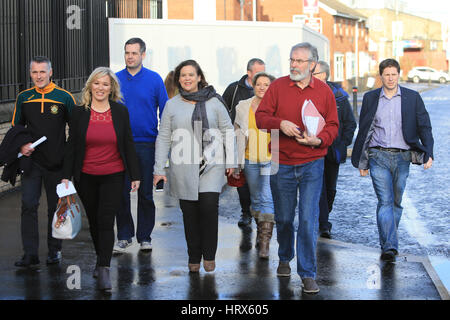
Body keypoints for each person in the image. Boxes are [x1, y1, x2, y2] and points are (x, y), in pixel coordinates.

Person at [255, 42, 339, 294]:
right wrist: (280, 124)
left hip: (313, 162)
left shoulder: (324, 91)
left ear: (312, 64)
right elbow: (261, 118)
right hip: (281, 162)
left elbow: (333, 125)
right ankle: (284, 256)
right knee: (283, 217)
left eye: (300, 61)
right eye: (292, 60)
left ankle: (307, 273)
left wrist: (319, 139)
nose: (294, 65)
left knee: (307, 219)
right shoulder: (278, 87)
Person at [153, 60, 236, 273]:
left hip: (212, 164)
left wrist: (231, 161)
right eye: (183, 75)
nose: (187, 79)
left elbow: (228, 131)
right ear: (178, 79)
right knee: (189, 214)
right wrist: (159, 169)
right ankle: (193, 257)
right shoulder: (172, 105)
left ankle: (209, 255)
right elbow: (164, 137)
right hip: (183, 166)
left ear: (199, 77)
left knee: (208, 208)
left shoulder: (215, 102)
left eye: (191, 74)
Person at [62, 67, 141, 292]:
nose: (100, 88)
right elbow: (72, 146)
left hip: (114, 175)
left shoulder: (120, 111)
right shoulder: (78, 113)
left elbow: (127, 142)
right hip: (86, 176)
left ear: (111, 88)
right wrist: (65, 177)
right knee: (95, 222)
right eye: (96, 83)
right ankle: (100, 258)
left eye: (105, 84)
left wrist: (135, 174)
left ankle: (105, 269)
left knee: (106, 220)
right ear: (90, 86)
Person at [351, 58, 434, 263]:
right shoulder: (371, 98)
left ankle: (389, 237)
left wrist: (429, 152)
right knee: (385, 201)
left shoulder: (412, 98)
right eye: (386, 75)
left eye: (393, 74)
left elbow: (424, 126)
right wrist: (363, 162)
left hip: (403, 156)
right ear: (381, 76)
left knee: (396, 202)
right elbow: (364, 131)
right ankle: (390, 246)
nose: (390, 78)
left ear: (399, 74)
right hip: (378, 155)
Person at [11, 56, 76, 268]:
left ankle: (54, 251)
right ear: (30, 74)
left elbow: (75, 131)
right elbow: (16, 129)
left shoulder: (64, 97)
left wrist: (68, 161)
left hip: (56, 163)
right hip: (32, 163)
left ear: (50, 72)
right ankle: (30, 254)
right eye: (34, 72)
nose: (38, 76)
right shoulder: (24, 97)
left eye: (42, 72)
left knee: (56, 208)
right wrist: (21, 146)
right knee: (28, 205)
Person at [114, 38, 168, 253]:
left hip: (147, 144)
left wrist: (165, 148)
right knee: (121, 192)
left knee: (146, 193)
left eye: (134, 53)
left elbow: (165, 112)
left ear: (143, 55)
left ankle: (145, 237)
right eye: (127, 52)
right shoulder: (115, 80)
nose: (130, 56)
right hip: (120, 147)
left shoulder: (154, 80)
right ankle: (125, 235)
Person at [234, 72, 276, 258]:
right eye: (259, 84)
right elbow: (237, 134)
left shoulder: (277, 107)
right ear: (253, 85)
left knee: (266, 197)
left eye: (266, 84)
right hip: (249, 158)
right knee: (256, 198)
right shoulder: (243, 106)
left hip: (270, 159)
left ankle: (265, 243)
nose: (262, 87)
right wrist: (235, 161)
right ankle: (261, 233)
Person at [313, 61, 356, 239]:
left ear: (323, 75)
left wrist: (342, 143)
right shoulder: (307, 93)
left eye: (314, 73)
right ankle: (323, 224)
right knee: (318, 187)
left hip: (332, 149)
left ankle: (324, 215)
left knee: (330, 188)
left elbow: (350, 123)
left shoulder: (339, 96)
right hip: (313, 148)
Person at [222, 58, 265, 228]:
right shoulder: (234, 89)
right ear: (249, 73)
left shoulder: (269, 87)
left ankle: (261, 217)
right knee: (241, 181)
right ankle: (246, 212)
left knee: (262, 183)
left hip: (261, 143)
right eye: (258, 72)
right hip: (239, 142)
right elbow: (223, 112)